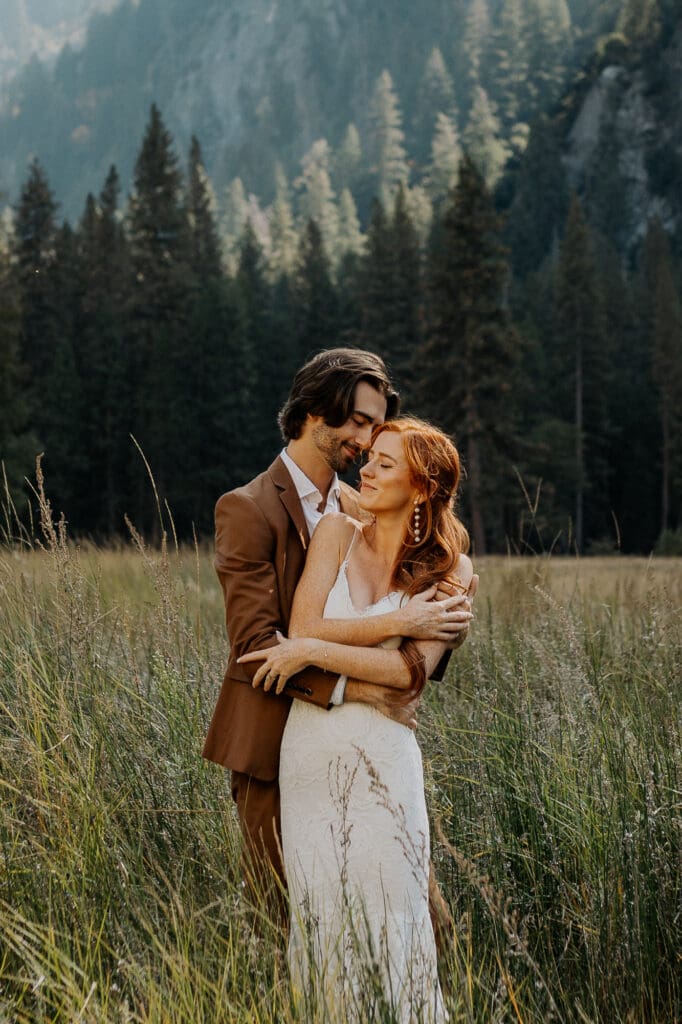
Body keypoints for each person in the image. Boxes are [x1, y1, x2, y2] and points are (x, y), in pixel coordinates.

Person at [202, 349, 475, 918]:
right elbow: (256, 650)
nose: (367, 437)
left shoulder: (361, 505)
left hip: (369, 749)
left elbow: (409, 595)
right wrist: (363, 690)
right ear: (312, 412)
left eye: (375, 425)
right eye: (357, 421)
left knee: (425, 918)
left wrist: (441, 631)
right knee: (288, 925)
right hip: (273, 753)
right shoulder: (247, 509)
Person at [239, 417, 473, 1021]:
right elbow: (308, 623)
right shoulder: (337, 533)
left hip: (386, 764)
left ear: (422, 487)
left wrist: (311, 654)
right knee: (322, 917)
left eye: (384, 464)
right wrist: (402, 623)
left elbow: (409, 676)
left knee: (396, 912)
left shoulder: (454, 571)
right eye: (367, 459)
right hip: (311, 755)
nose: (364, 469)